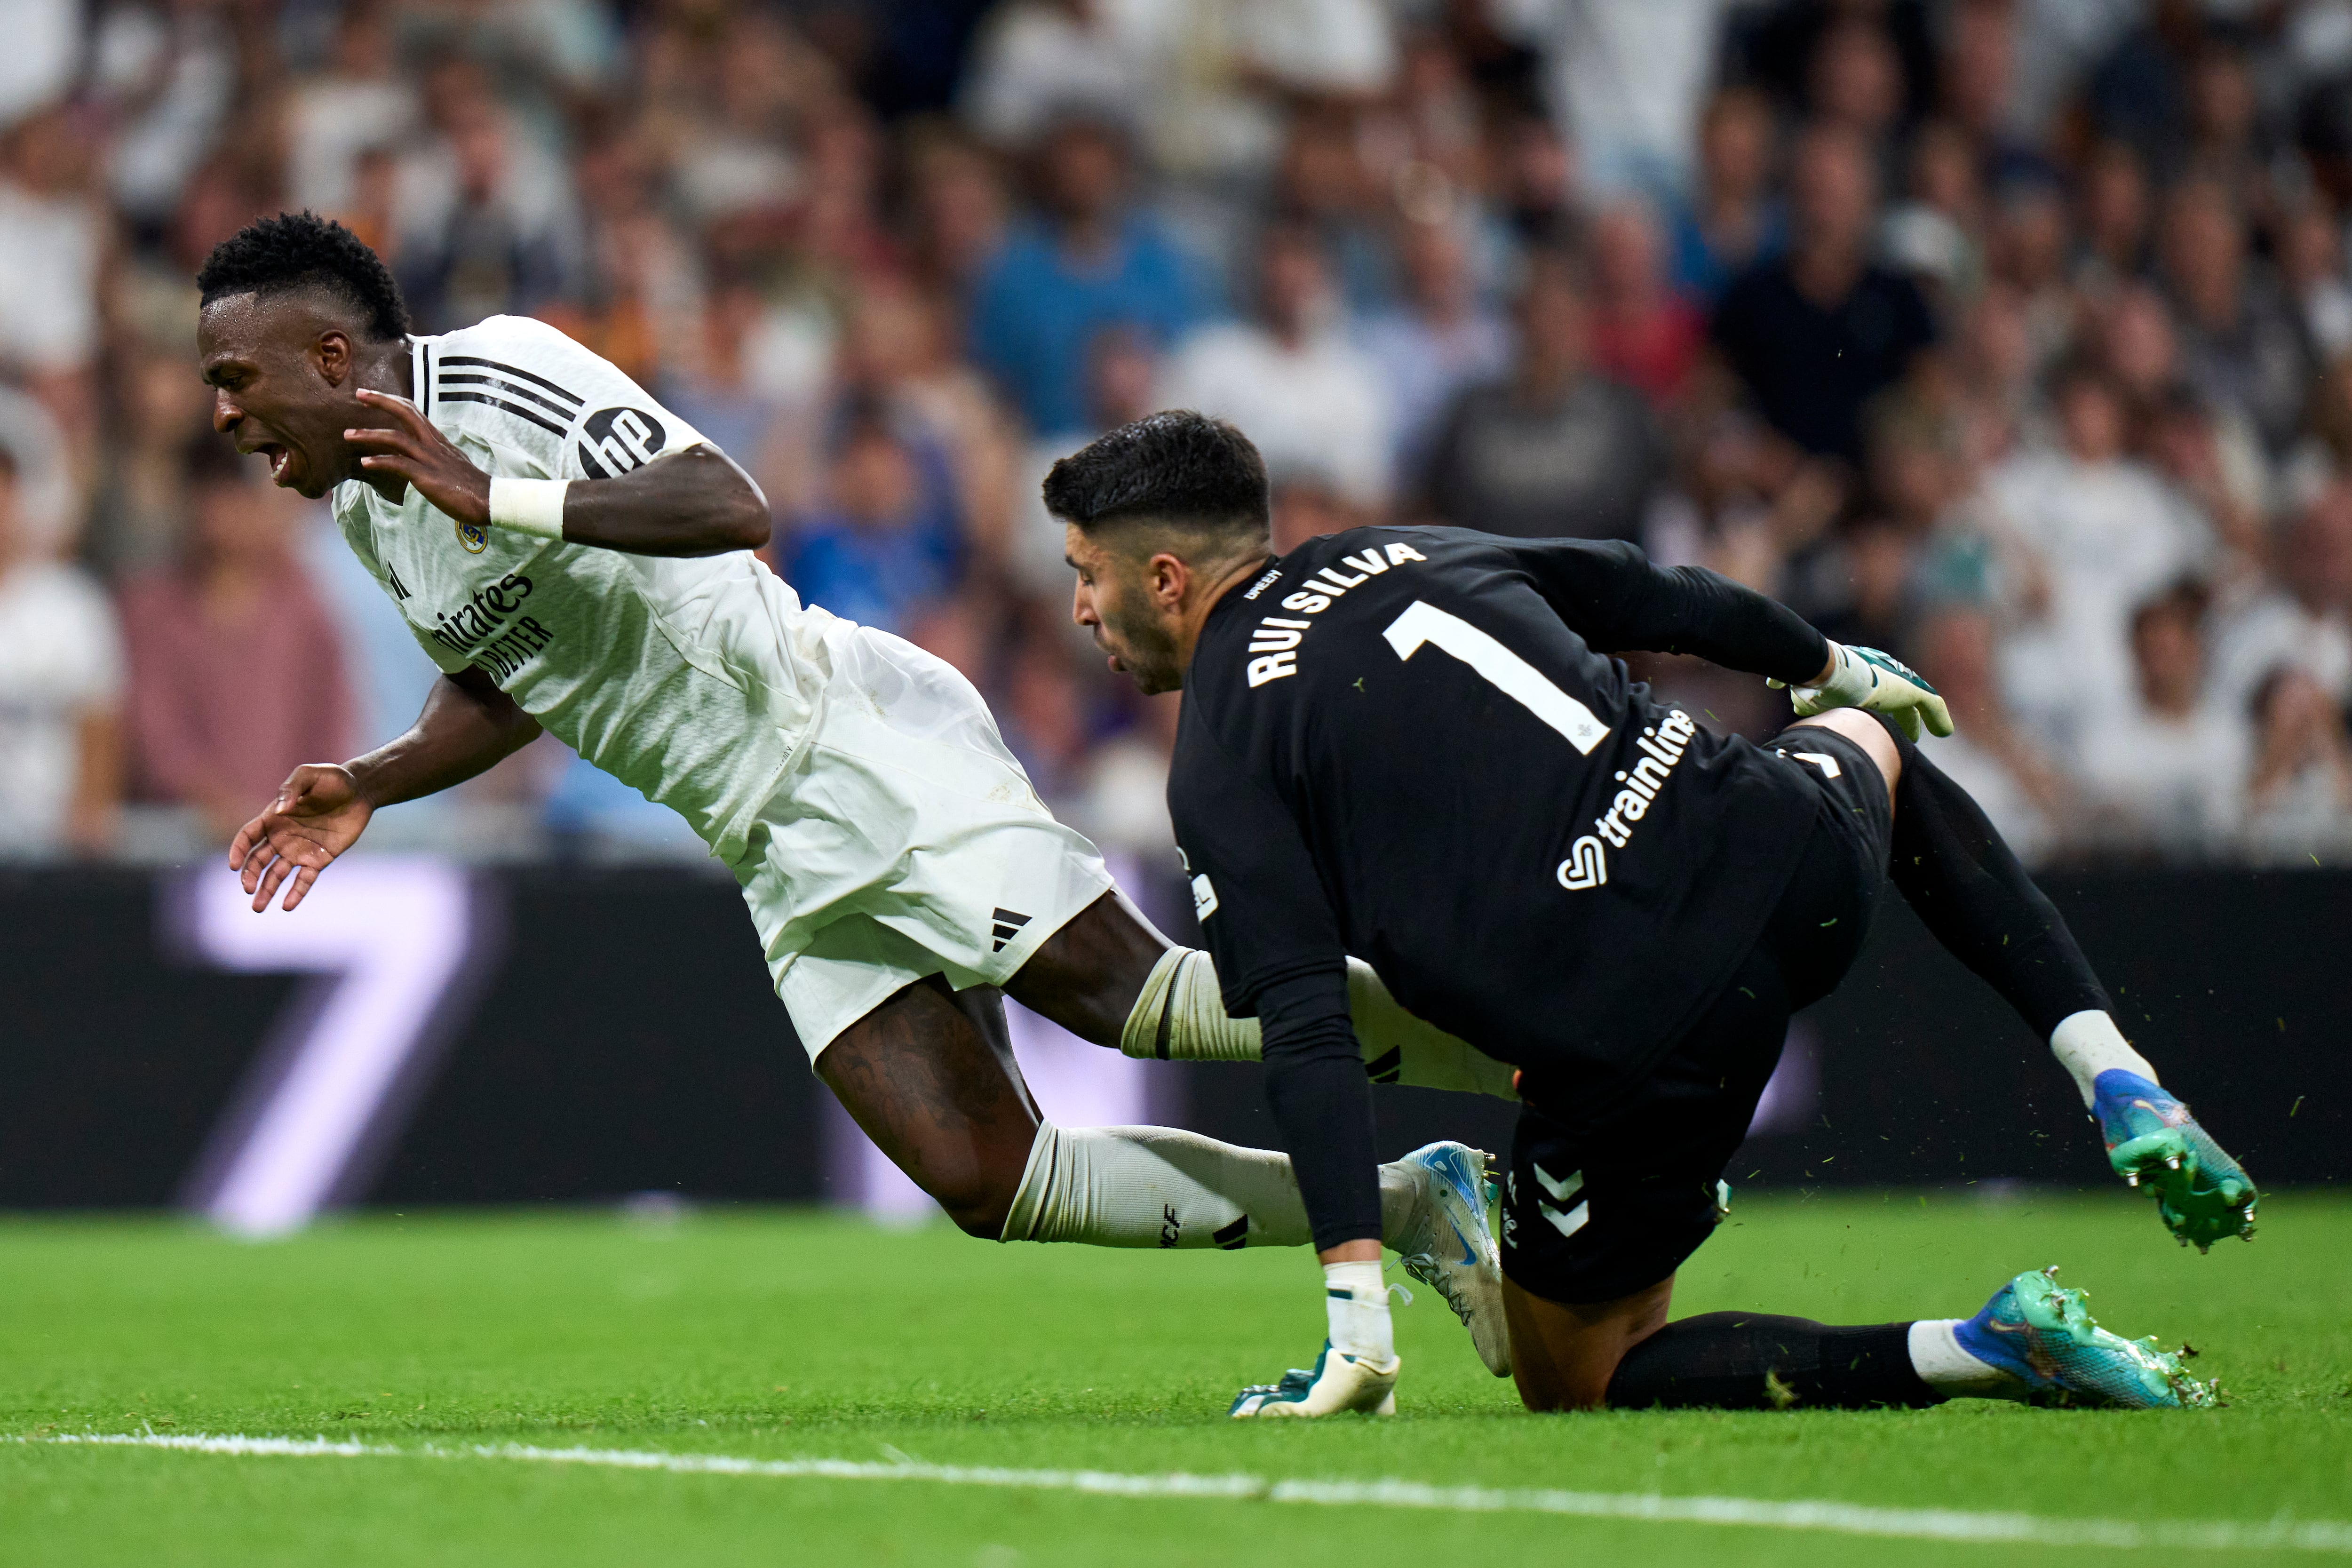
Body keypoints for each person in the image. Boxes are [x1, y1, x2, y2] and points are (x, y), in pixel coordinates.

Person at [195, 212, 1512, 1376]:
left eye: (235, 376)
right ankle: (1416, 1204)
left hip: (840, 739)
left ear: (330, 359)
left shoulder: (498, 375)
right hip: (766, 843)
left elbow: (729, 500)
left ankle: (1546, 1048)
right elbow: (510, 676)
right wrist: (372, 778)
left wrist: (500, 491)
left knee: (1129, 998)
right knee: (996, 1178)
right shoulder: (370, 515)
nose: (222, 414)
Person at [1054, 410, 2256, 1419]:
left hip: (1641, 1037)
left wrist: (1356, 1321)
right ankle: (2113, 1068)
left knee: (1579, 1372)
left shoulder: (1218, 754)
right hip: (1779, 857)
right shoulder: (1399, 549)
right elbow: (1652, 591)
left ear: (1165, 577)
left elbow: (1309, 1031)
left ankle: (1982, 1344)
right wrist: (1828, 662)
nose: (1080, 612)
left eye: (1085, 575)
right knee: (1875, 751)